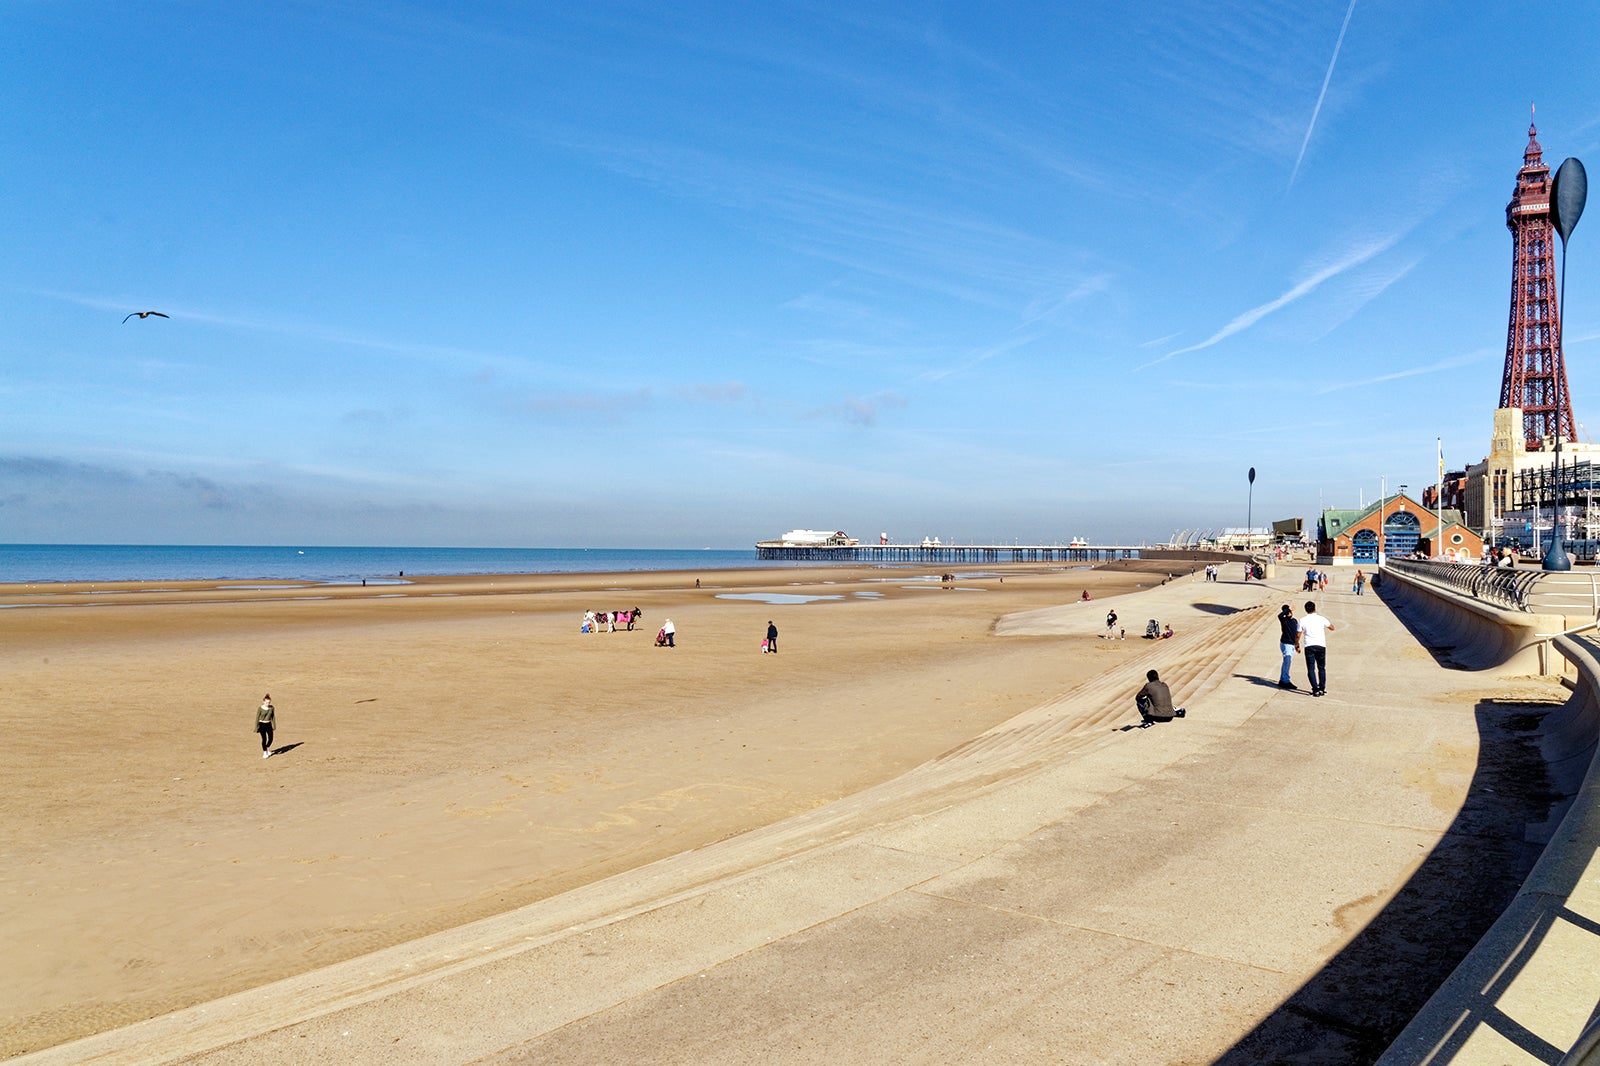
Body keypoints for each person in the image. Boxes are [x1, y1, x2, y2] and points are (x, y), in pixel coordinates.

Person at [1297, 600, 1335, 697]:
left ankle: (1315, 689)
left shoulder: (1302, 620)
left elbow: (1298, 634)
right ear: (1315, 608)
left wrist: (1296, 644)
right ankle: (1322, 688)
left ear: (1306, 610)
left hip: (1309, 646)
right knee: (1321, 667)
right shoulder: (1321, 619)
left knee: (1311, 668)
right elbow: (1332, 627)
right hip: (1321, 645)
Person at [1277, 604, 1299, 689]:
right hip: (1286, 644)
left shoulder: (1294, 621)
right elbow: (1280, 615)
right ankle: (1285, 681)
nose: (1289, 613)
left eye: (1290, 612)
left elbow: (1296, 634)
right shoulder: (1284, 620)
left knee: (1287, 662)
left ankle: (1283, 679)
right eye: (1288, 612)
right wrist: (1288, 609)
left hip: (1292, 644)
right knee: (1287, 662)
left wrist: (1297, 645)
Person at [256, 694, 276, 758]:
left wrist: (274, 725)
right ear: (263, 702)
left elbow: (273, 717)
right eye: (266, 702)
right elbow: (257, 718)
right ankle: (265, 752)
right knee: (264, 739)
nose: (268, 704)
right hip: (262, 724)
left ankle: (267, 748)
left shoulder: (272, 708)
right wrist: (256, 727)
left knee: (271, 738)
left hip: (269, 724)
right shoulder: (260, 708)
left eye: (269, 702)